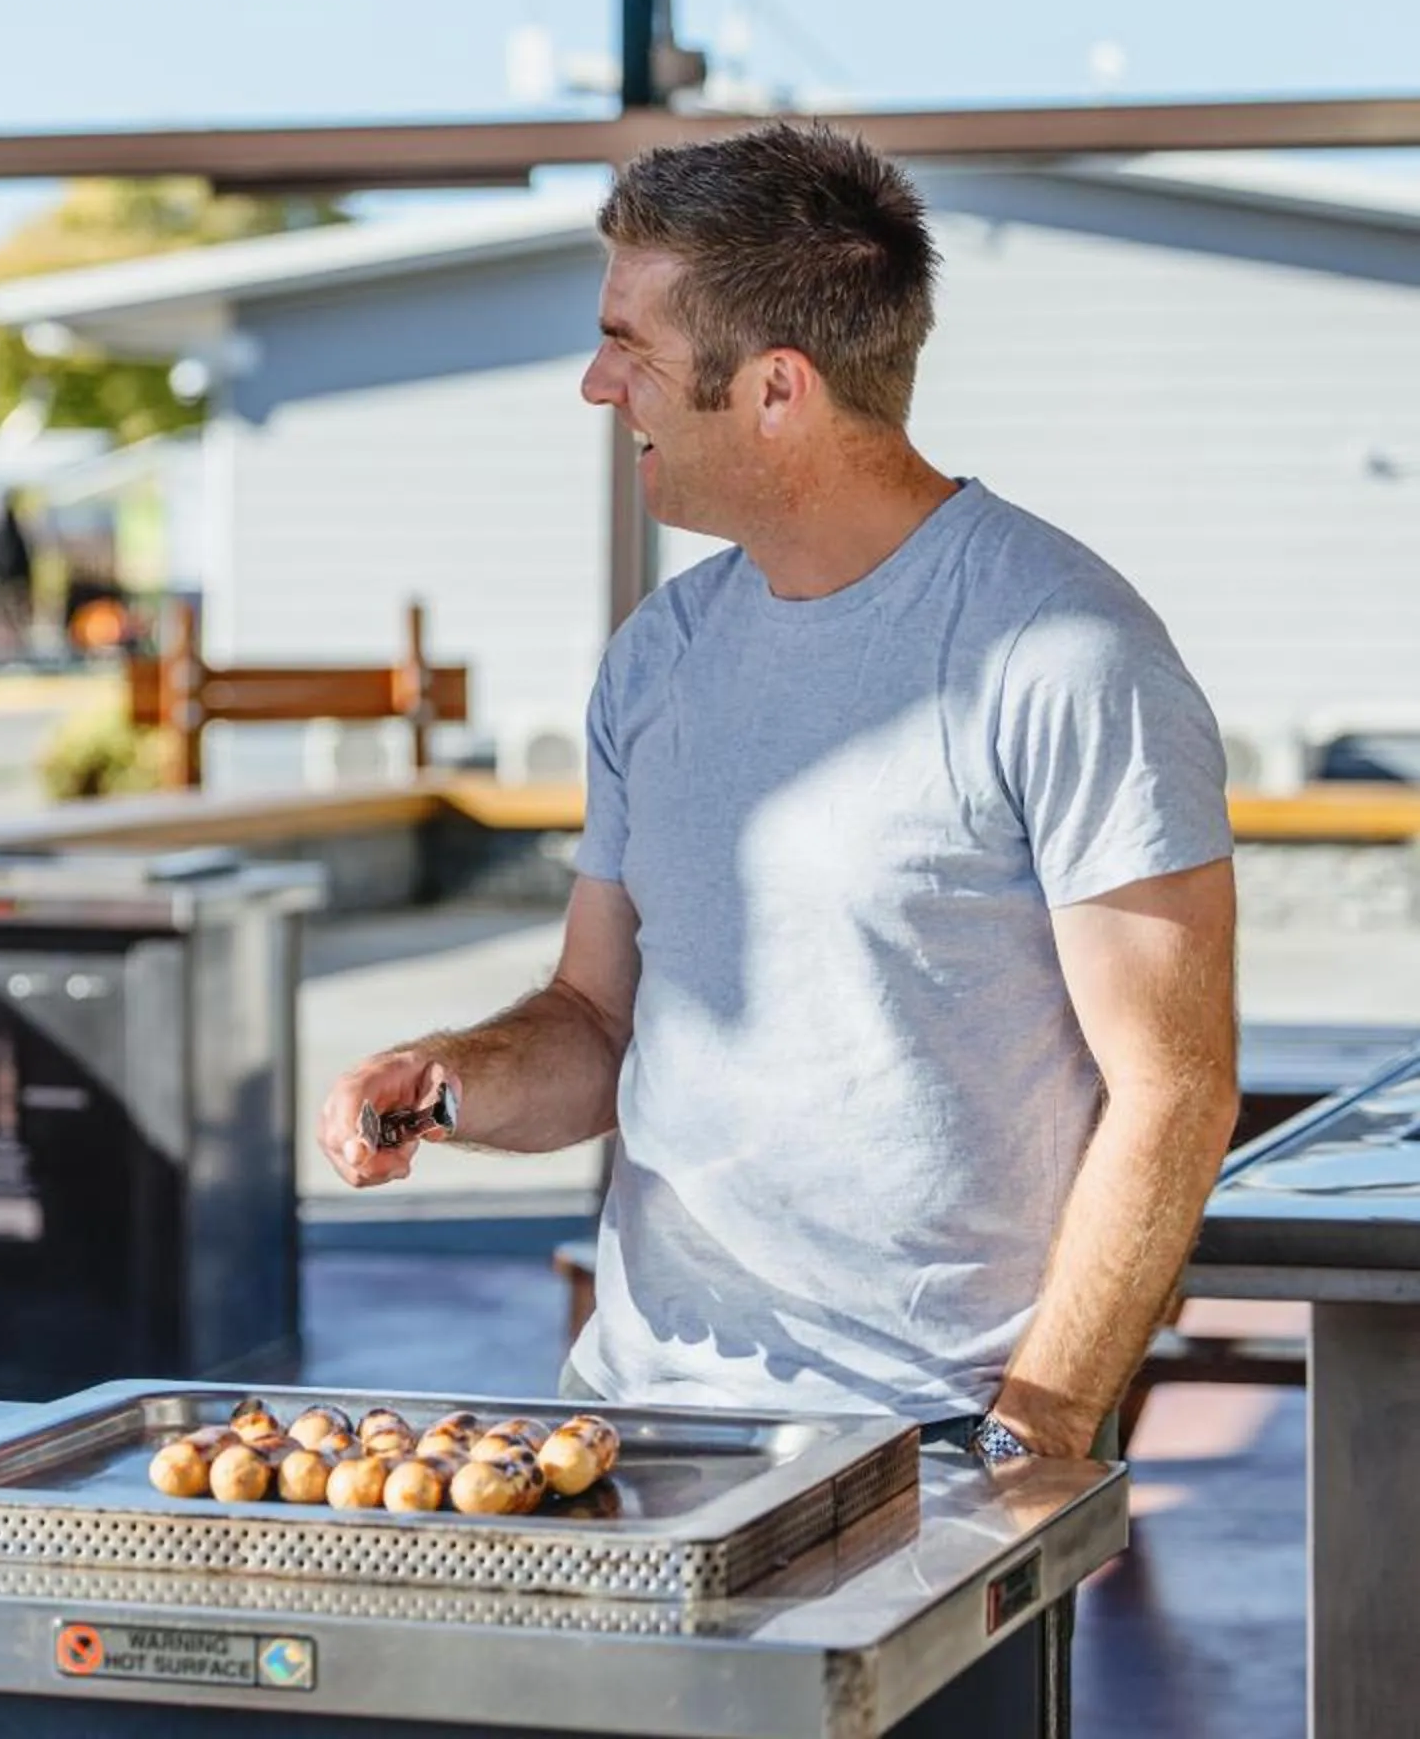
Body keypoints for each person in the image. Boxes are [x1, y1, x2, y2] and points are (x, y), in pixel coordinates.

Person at [320, 124, 1237, 1463]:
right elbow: (594, 1019)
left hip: (927, 1445)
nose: (595, 384)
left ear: (775, 390)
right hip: (628, 1425)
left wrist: (1033, 1444)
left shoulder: (1063, 652)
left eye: (630, 343)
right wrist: (452, 1078)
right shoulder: (660, 656)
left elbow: (1175, 1091)